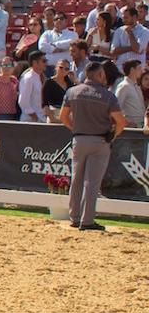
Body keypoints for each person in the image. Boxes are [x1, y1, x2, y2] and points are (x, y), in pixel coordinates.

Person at [59, 60, 126, 231]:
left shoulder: (72, 91)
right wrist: (114, 135)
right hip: (100, 140)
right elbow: (120, 121)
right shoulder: (108, 95)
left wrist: (74, 128)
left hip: (79, 139)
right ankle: (87, 220)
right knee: (92, 182)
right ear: (100, 75)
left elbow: (63, 116)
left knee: (76, 179)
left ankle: (74, 217)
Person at [114, 59, 145, 127]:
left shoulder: (136, 86)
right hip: (132, 128)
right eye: (139, 68)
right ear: (132, 70)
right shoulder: (124, 86)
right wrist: (126, 123)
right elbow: (115, 107)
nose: (142, 71)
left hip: (140, 125)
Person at [17, 50, 46, 122]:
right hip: (30, 120)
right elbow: (23, 101)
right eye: (44, 61)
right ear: (35, 62)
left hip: (40, 119)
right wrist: (34, 116)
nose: (46, 63)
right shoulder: (28, 78)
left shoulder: (40, 77)